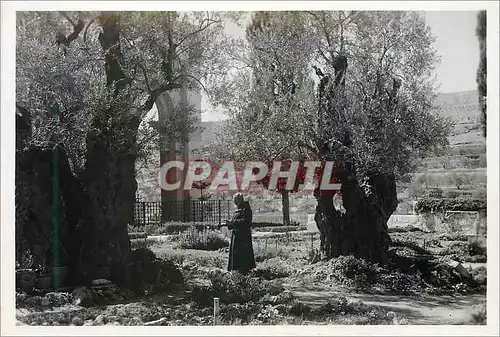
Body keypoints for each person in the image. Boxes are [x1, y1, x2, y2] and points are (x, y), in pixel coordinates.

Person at [226, 193, 256, 273]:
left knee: (243, 257)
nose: (235, 203)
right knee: (236, 257)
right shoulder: (239, 209)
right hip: (237, 236)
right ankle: (236, 271)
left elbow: (246, 222)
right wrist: (230, 224)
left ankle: (243, 272)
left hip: (243, 237)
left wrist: (233, 222)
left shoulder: (246, 209)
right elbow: (236, 222)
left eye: (235, 201)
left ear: (239, 200)